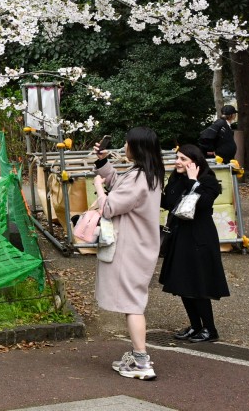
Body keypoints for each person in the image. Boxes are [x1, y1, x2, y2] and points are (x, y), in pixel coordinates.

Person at [92, 127, 164, 381]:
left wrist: (98, 188)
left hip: (130, 248)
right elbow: (119, 185)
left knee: (133, 304)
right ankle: (137, 356)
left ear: (137, 147)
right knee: (133, 301)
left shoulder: (138, 178)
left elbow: (110, 207)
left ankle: (142, 361)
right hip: (139, 246)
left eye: (127, 143)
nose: (124, 146)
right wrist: (103, 163)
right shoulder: (148, 174)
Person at [160, 143, 230, 343]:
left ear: (195, 162)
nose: (178, 162)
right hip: (180, 236)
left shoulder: (208, 181)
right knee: (183, 283)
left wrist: (193, 181)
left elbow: (202, 203)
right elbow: (168, 203)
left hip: (200, 237)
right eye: (177, 158)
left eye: (183, 159)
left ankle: (210, 329)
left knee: (198, 284)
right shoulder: (176, 179)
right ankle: (196, 326)